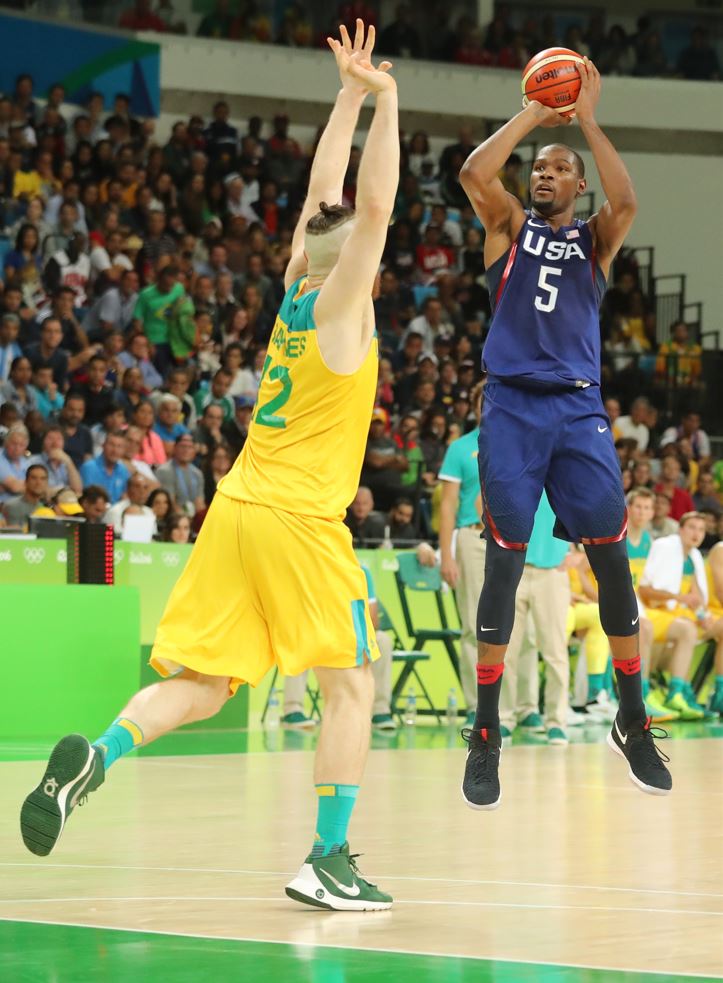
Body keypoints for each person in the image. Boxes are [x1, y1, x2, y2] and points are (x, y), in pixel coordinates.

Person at [21, 21, 396, 911]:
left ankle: (95, 756)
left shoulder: (298, 289)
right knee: (351, 683)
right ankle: (328, 858)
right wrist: (387, 99)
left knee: (200, 684)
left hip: (236, 508)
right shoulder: (343, 302)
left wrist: (344, 93)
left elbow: (326, 195)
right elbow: (366, 206)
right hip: (300, 520)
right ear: (357, 261)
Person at [458, 55, 670, 806]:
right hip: (513, 406)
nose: (542, 175)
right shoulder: (507, 226)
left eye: (556, 170)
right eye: (537, 169)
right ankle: (485, 732)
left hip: (578, 409)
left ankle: (632, 718)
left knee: (612, 560)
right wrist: (530, 112)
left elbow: (627, 198)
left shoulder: (595, 241)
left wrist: (582, 117)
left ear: (575, 185)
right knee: (504, 563)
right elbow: (473, 175)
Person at [437, 380, 485, 718]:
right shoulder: (460, 448)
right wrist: (447, 554)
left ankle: (512, 707)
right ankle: (476, 704)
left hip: (511, 541)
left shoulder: (519, 444)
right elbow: (447, 506)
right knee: (472, 624)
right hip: (471, 537)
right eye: (485, 400)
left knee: (514, 627)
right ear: (475, 406)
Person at [638, 513, 715, 721]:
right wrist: (678, 597)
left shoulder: (695, 557)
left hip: (675, 614)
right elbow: (645, 592)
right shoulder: (664, 548)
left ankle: (678, 692)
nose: (696, 533)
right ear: (680, 529)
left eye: (701, 529)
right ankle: (649, 695)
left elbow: (696, 598)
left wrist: (702, 615)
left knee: (697, 626)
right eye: (691, 527)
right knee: (687, 628)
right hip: (649, 612)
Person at [156, 433, 205, 516]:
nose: (186, 450)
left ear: (194, 452)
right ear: (174, 448)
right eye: (183, 446)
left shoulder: (198, 474)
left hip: (193, 518)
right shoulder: (164, 471)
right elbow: (170, 502)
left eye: (190, 447)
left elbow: (200, 502)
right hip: (172, 518)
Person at [79, 431, 130, 504]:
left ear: (124, 450)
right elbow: (87, 498)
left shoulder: (123, 471)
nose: (115, 450)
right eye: (111, 445)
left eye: (119, 446)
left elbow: (125, 497)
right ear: (103, 446)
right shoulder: (89, 468)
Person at [1, 461, 48, 528]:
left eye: (43, 479)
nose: (38, 483)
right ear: (26, 481)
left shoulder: (46, 508)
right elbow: (14, 532)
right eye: (34, 478)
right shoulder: (12, 506)